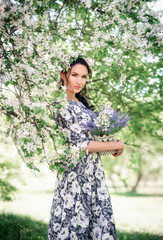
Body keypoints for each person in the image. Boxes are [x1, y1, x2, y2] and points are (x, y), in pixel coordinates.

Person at [48, 57, 125, 240]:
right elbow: (82, 145)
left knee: (96, 225)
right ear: (63, 75)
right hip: (75, 177)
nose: (79, 81)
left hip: (93, 174)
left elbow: (91, 139)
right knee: (73, 226)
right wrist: (117, 145)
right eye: (74, 75)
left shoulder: (81, 104)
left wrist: (110, 142)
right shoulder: (60, 105)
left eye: (83, 76)